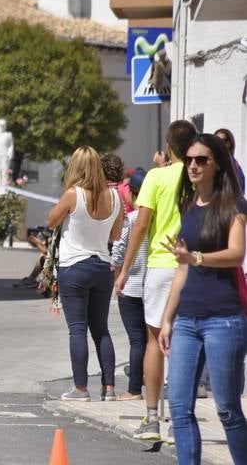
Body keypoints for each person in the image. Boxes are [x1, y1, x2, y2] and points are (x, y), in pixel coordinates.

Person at [159, 133, 247, 464]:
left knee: (226, 408)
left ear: (217, 164)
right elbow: (181, 270)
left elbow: (237, 254)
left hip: (223, 320)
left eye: (201, 160)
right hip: (187, 320)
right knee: (180, 408)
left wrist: (196, 257)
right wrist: (168, 318)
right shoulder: (187, 207)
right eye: (189, 160)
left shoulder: (234, 207)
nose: (193, 166)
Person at [114, 120, 197, 441]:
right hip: (193, 265)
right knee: (185, 343)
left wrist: (123, 269)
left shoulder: (156, 177)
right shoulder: (198, 176)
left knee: (154, 342)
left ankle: (151, 418)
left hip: (161, 265)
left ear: (169, 145)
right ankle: (180, 419)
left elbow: (140, 225)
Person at [47, 146, 123, 401]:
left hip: (74, 267)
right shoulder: (114, 197)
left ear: (76, 168)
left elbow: (51, 221)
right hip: (102, 266)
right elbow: (115, 235)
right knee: (101, 329)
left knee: (77, 329)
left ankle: (80, 388)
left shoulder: (73, 194)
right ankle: (109, 388)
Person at [111, 169, 148, 401]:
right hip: (154, 286)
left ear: (133, 195)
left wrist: (118, 275)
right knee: (153, 340)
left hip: (131, 286)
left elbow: (118, 253)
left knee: (137, 340)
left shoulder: (132, 220)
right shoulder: (160, 219)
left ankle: (134, 389)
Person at [214, 127, 245, 193]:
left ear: (230, 144)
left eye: (224, 140)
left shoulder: (232, 164)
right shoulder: (214, 161)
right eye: (216, 140)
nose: (220, 143)